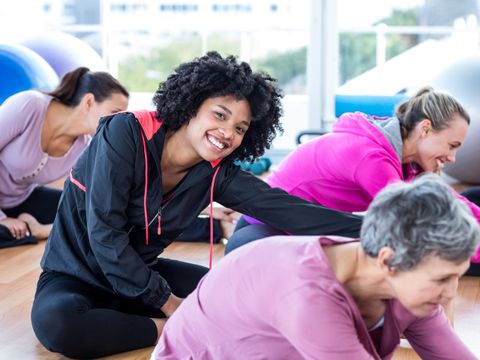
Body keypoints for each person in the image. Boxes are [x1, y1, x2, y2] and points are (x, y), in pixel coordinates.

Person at [31, 52, 362, 359]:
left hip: (142, 276)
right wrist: (169, 305)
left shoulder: (219, 173)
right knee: (59, 326)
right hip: (75, 275)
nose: (227, 133)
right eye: (220, 115)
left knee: (240, 296)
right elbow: (104, 234)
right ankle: (171, 329)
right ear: (191, 106)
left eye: (240, 128)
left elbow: (290, 210)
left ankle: (142, 319)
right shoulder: (125, 132)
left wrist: (378, 229)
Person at [152, 175, 479, 360]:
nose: (451, 293)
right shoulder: (306, 293)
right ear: (388, 260)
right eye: (442, 278)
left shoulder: (406, 287)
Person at [227, 86, 480, 276]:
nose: (453, 157)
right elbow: (409, 225)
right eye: (452, 145)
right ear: (425, 129)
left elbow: (447, 200)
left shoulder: (402, 160)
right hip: (262, 236)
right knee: (410, 249)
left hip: (299, 235)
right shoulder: (372, 157)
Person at [0, 67, 129, 248]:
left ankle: (34, 230)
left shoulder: (85, 144)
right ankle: (28, 230)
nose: (118, 122)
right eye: (115, 112)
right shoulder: (30, 106)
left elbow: (98, 193)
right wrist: (2, 219)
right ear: (89, 101)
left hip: (22, 199)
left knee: (97, 216)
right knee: (8, 229)